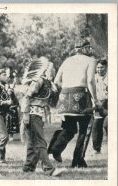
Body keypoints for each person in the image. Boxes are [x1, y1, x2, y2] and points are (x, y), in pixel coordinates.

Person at [48, 39, 97, 168]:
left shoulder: (67, 61)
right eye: (89, 48)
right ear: (86, 49)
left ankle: (56, 149)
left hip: (65, 95)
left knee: (69, 128)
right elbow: (91, 81)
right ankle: (78, 160)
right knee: (84, 130)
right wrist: (95, 99)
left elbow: (57, 81)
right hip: (81, 95)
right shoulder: (91, 61)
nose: (90, 50)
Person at [20, 57, 62, 176]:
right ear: (45, 69)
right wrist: (26, 114)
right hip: (32, 114)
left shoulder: (48, 83)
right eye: (51, 68)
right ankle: (48, 169)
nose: (53, 70)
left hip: (38, 114)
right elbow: (27, 97)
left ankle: (28, 167)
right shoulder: (39, 81)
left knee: (33, 142)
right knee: (40, 142)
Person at [92, 59, 108, 154]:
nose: (99, 69)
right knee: (96, 125)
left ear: (106, 67)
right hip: (98, 103)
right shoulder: (93, 78)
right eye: (97, 67)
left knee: (108, 124)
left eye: (101, 67)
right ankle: (96, 149)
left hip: (109, 103)